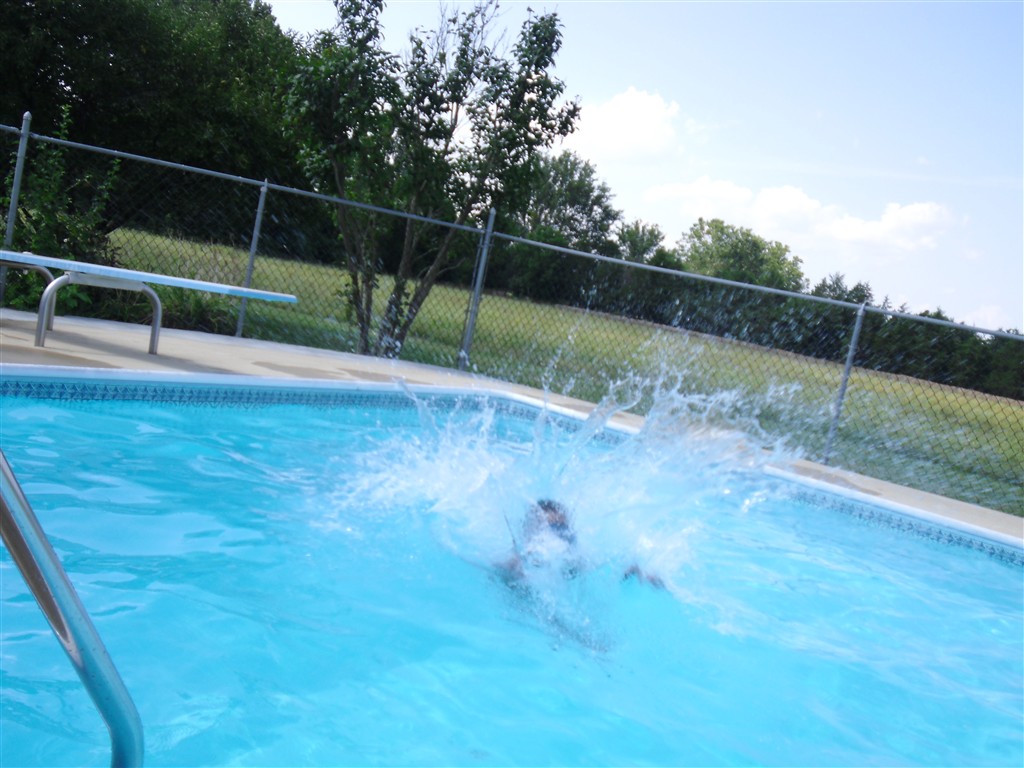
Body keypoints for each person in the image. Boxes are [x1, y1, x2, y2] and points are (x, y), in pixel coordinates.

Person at [500, 499, 664, 589]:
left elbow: (608, 569)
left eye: (564, 530)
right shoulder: (512, 565)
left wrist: (640, 574)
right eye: (553, 529)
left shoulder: (574, 563)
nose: (561, 538)